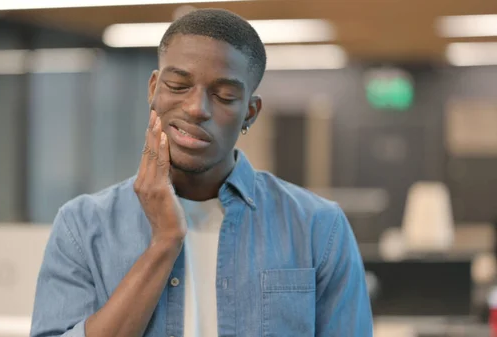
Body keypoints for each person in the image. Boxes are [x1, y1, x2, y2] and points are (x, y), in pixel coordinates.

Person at [30, 8, 372, 337]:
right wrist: (164, 243)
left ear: (250, 113)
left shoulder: (318, 227)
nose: (196, 109)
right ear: (153, 90)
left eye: (223, 96)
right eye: (178, 86)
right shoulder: (83, 226)